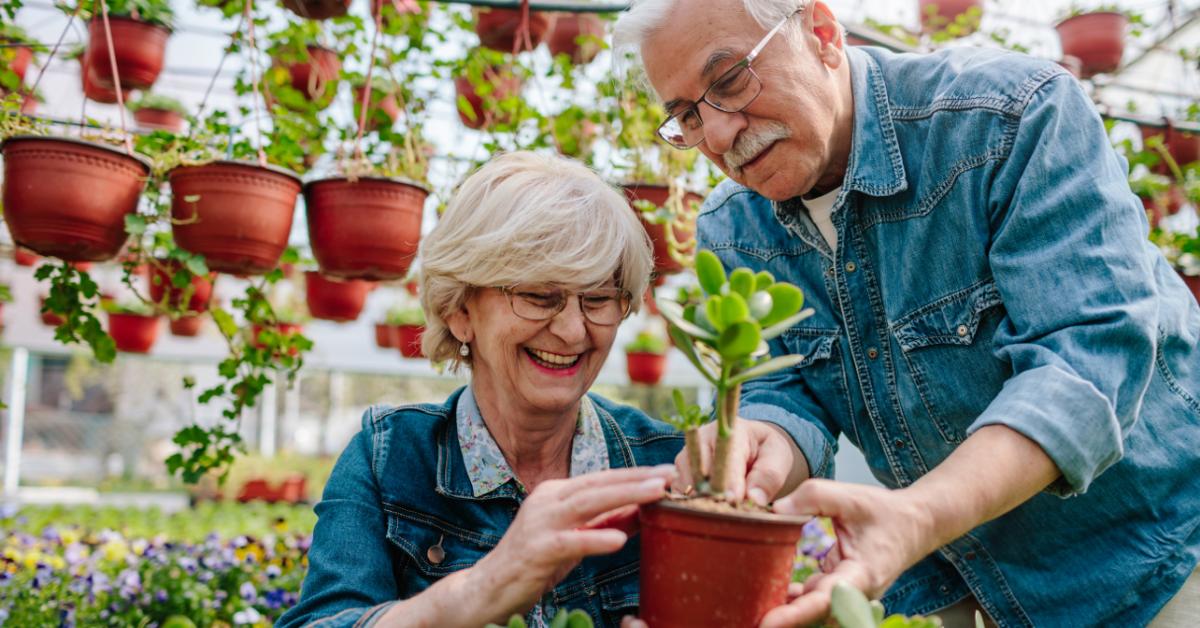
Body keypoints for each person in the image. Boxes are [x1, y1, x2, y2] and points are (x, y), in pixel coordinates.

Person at [613, 1, 1200, 627]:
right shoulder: (732, 226)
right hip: (944, 575)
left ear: (821, 32)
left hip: (1149, 559)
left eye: (730, 81)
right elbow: (785, 392)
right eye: (686, 116)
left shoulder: (1008, 117)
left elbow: (1087, 360)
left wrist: (917, 516)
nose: (720, 136)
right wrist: (766, 441)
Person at [276, 152, 683, 628]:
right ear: (460, 311)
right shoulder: (389, 458)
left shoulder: (667, 465)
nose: (574, 331)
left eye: (597, 299)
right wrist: (476, 591)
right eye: (538, 296)